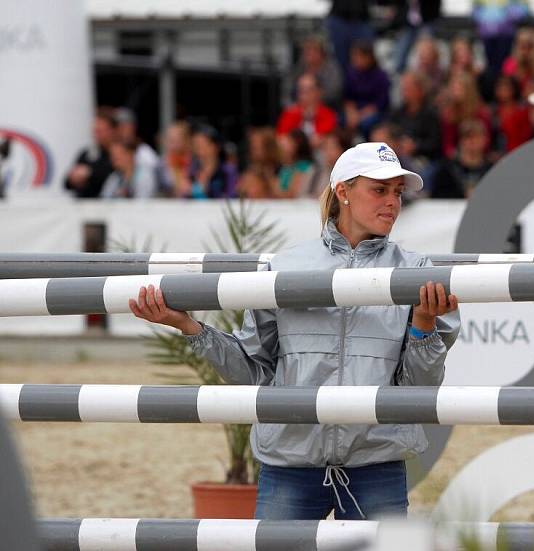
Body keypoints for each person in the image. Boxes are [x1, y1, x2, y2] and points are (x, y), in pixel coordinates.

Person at [128, 141, 461, 521]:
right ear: (343, 192)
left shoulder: (418, 272)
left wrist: (423, 325)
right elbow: (254, 372)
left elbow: (418, 392)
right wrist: (189, 327)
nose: (393, 203)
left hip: (377, 463)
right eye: (379, 190)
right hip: (289, 462)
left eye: (398, 193)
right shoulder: (284, 267)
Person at [431, 119, 493, 198]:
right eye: (468, 137)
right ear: (460, 141)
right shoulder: (446, 169)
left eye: (477, 137)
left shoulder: (492, 169)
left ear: (485, 140)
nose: (473, 141)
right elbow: (436, 197)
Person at [343, 40, 391, 140]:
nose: (355, 59)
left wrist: (360, 116)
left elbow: (380, 103)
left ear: (369, 57)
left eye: (358, 56)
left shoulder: (381, 76)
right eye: (354, 56)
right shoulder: (351, 73)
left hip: (374, 112)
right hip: (355, 111)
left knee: (367, 123)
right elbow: (348, 97)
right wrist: (351, 113)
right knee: (340, 120)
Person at [64, 107, 116, 198]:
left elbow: (114, 174)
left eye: (100, 131)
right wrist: (75, 178)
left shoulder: (119, 154)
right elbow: (66, 183)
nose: (96, 135)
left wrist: (89, 174)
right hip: (83, 206)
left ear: (112, 131)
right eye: (95, 131)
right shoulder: (87, 153)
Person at [277, 73, 338, 147]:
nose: (303, 94)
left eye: (308, 90)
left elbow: (321, 138)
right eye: (301, 89)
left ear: (319, 92)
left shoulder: (328, 115)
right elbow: (281, 136)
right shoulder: (290, 113)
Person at [177, 125, 237, 199]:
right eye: (195, 145)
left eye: (201, 144)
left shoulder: (227, 171)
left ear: (214, 146)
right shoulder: (191, 171)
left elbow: (231, 197)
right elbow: (182, 197)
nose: (197, 148)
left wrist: (206, 190)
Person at [271, 129, 317, 198]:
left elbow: (292, 194)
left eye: (287, 143)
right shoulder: (285, 167)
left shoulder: (303, 166)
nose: (281, 148)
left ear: (296, 145)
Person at [237, 127, 281, 199]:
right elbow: (239, 190)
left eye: (256, 147)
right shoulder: (250, 170)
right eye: (252, 146)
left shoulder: (281, 170)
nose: (252, 150)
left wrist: (268, 177)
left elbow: (281, 194)